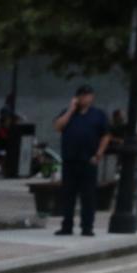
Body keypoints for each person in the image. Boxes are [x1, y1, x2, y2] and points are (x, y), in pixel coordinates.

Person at [52, 84, 112, 237]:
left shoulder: (98, 115)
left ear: (92, 97)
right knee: (68, 195)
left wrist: (99, 154)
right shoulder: (68, 113)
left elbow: (106, 135)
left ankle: (87, 227)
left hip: (88, 160)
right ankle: (67, 225)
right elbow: (58, 127)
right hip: (70, 159)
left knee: (88, 196)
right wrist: (71, 110)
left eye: (87, 95)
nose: (84, 98)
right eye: (81, 95)